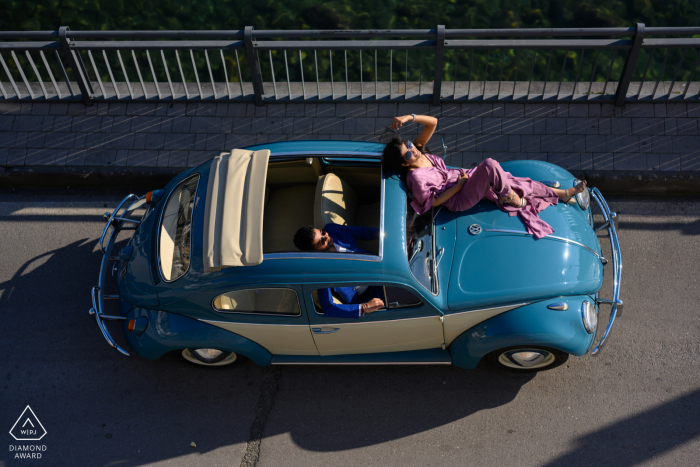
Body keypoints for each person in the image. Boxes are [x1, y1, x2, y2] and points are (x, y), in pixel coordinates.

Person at [381, 114, 587, 239]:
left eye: (408, 144)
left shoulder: (419, 149)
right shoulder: (416, 178)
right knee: (490, 166)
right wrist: (459, 186)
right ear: (404, 163)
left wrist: (409, 118)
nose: (413, 150)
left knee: (511, 179)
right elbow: (433, 203)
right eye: (408, 153)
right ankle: (509, 197)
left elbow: (433, 123)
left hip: (462, 179)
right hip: (458, 196)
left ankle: (562, 193)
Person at [292, 224, 385, 319]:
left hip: (383, 267)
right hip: (372, 292)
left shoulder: (332, 229)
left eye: (322, 232)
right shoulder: (321, 271)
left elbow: (364, 232)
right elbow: (328, 308)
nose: (327, 236)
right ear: (314, 251)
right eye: (322, 241)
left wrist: (386, 234)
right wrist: (364, 307)